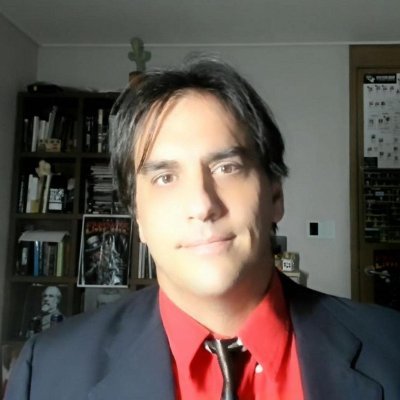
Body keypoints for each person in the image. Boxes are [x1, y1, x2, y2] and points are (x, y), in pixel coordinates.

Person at [5, 56, 400, 400]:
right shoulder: (47, 372)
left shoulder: (391, 347)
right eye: (164, 177)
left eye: (226, 168)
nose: (202, 205)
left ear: (275, 195)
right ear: (138, 217)